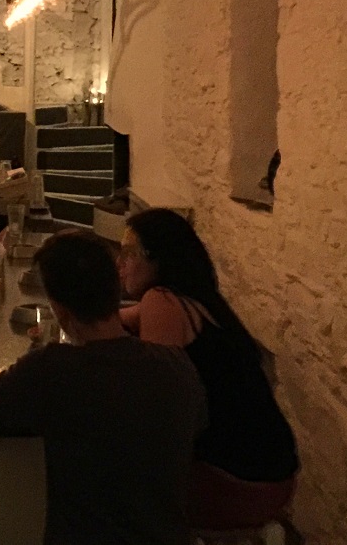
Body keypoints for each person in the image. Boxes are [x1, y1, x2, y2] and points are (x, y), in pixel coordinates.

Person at [0, 231, 207, 545]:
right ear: (115, 291)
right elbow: (198, 422)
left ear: (59, 308)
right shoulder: (177, 366)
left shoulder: (51, 369)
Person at [118, 208, 300, 531]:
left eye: (129, 253)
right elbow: (121, 319)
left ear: (157, 259)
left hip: (233, 483)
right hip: (276, 473)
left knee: (111, 477)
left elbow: (157, 412)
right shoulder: (198, 298)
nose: (120, 264)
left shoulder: (162, 300)